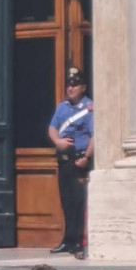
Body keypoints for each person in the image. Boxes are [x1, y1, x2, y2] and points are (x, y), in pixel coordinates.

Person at [48, 67, 94, 257]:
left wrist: (87, 158)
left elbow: (94, 135)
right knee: (66, 202)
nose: (71, 88)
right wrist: (57, 141)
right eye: (69, 84)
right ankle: (68, 240)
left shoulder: (89, 108)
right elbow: (52, 128)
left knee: (79, 202)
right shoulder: (62, 107)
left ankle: (79, 243)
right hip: (64, 161)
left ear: (83, 87)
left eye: (75, 85)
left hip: (79, 160)